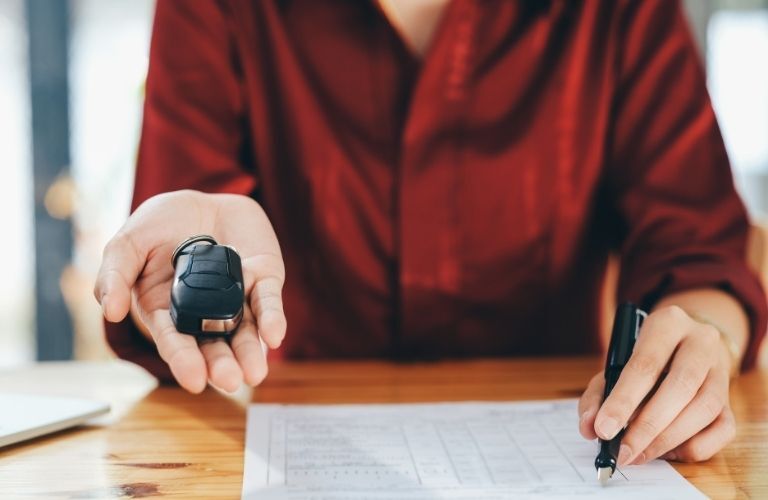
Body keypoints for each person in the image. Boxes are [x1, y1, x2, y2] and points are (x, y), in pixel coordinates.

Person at [95, 0, 766, 468]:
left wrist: (703, 340)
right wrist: (182, 284)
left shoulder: (619, 10)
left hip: (563, 437)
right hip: (295, 445)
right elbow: (185, 244)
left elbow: (695, 245)